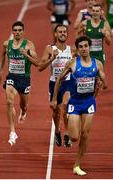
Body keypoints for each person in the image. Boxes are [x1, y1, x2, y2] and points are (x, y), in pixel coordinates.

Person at [50, 35, 108, 176]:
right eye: (81, 47)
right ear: (78, 49)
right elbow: (58, 79)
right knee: (75, 137)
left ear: (89, 47)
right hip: (75, 103)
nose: (83, 49)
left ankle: (77, 164)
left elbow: (104, 84)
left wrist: (101, 83)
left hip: (88, 102)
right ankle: (68, 117)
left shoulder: (97, 64)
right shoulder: (72, 63)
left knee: (85, 134)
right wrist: (53, 99)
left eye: (86, 46)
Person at [0, 21, 38, 146]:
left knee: (24, 105)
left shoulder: (29, 45)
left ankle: (23, 112)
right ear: (12, 32)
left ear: (23, 32)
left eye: (19, 30)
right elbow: (3, 55)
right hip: (11, 77)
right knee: (9, 101)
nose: (17, 32)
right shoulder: (6, 44)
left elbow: (36, 60)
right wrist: (0, 70)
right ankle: (12, 131)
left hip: (24, 79)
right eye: (15, 30)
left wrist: (26, 54)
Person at [38, 24, 73, 147]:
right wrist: (51, 58)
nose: (63, 33)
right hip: (54, 83)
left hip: (68, 82)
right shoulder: (50, 49)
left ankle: (67, 134)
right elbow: (40, 68)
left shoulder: (72, 50)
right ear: (55, 34)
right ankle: (57, 132)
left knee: (65, 105)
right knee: (56, 112)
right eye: (60, 32)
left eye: (64, 31)